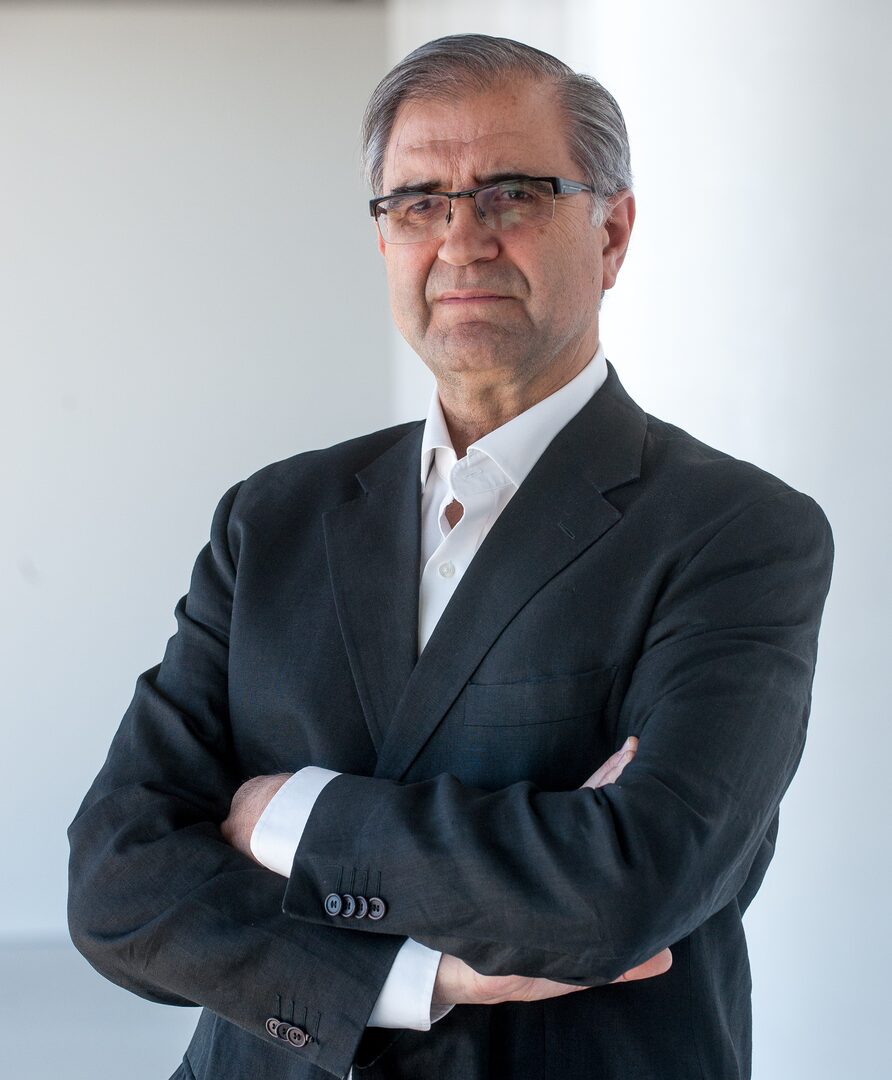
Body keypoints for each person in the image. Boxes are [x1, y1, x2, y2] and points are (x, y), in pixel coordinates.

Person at [68, 33, 833, 1080]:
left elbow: (622, 891)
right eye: (419, 202)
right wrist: (419, 975)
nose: (462, 240)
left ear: (611, 233)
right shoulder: (272, 517)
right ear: (384, 238)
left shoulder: (737, 531)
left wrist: (281, 815)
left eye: (513, 194)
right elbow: (116, 883)